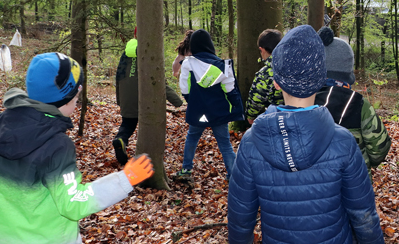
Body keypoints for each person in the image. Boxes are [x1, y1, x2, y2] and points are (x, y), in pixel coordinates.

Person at [0, 52, 154, 244]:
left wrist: (15, 213)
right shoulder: (56, 145)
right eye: (77, 96)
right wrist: (125, 179)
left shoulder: (3, 129)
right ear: (69, 97)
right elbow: (73, 203)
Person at [227, 25, 386, 244]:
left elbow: (241, 205)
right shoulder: (342, 142)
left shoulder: (251, 142)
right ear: (319, 82)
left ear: (275, 82)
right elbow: (361, 209)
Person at [315, 26, 391, 244]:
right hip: (351, 185)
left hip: (312, 186)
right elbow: (380, 145)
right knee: (356, 234)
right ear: (347, 70)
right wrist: (365, 165)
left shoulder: (302, 100)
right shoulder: (357, 104)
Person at [178, 29, 245, 180]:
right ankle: (233, 174)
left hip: (198, 111)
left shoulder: (188, 64)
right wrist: (236, 107)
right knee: (225, 144)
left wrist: (192, 101)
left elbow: (184, 89)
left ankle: (186, 169)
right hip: (218, 112)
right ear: (210, 44)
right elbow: (230, 90)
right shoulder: (222, 66)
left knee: (192, 138)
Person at [113, 34, 183, 165]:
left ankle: (121, 139)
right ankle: (148, 156)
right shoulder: (148, 53)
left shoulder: (125, 55)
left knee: (127, 124)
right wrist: (177, 101)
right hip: (146, 98)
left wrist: (119, 100)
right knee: (150, 125)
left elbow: (118, 77)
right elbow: (159, 81)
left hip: (126, 96)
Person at [245, 28, 284, 124]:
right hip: (300, 116)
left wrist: (251, 116)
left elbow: (256, 99)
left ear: (261, 50)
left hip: (276, 119)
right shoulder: (296, 65)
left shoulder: (265, 74)